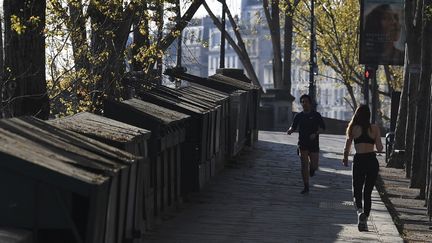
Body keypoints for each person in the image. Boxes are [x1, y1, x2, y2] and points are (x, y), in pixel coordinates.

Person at [342, 105, 383, 232]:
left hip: (359, 160)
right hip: (371, 160)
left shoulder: (354, 128)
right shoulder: (375, 128)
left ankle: (360, 213)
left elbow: (347, 145)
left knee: (357, 190)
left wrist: (345, 158)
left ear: (357, 114)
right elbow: (380, 148)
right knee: (368, 192)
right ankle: (365, 219)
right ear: (369, 115)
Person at [287, 94, 325, 194]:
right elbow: (293, 126)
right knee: (304, 165)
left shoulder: (316, 115)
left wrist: (315, 134)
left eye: (306, 102)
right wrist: (290, 130)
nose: (304, 104)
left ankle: (312, 170)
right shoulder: (298, 116)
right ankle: (306, 186)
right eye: (303, 102)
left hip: (314, 143)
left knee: (314, 166)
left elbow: (322, 128)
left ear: (310, 103)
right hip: (302, 143)